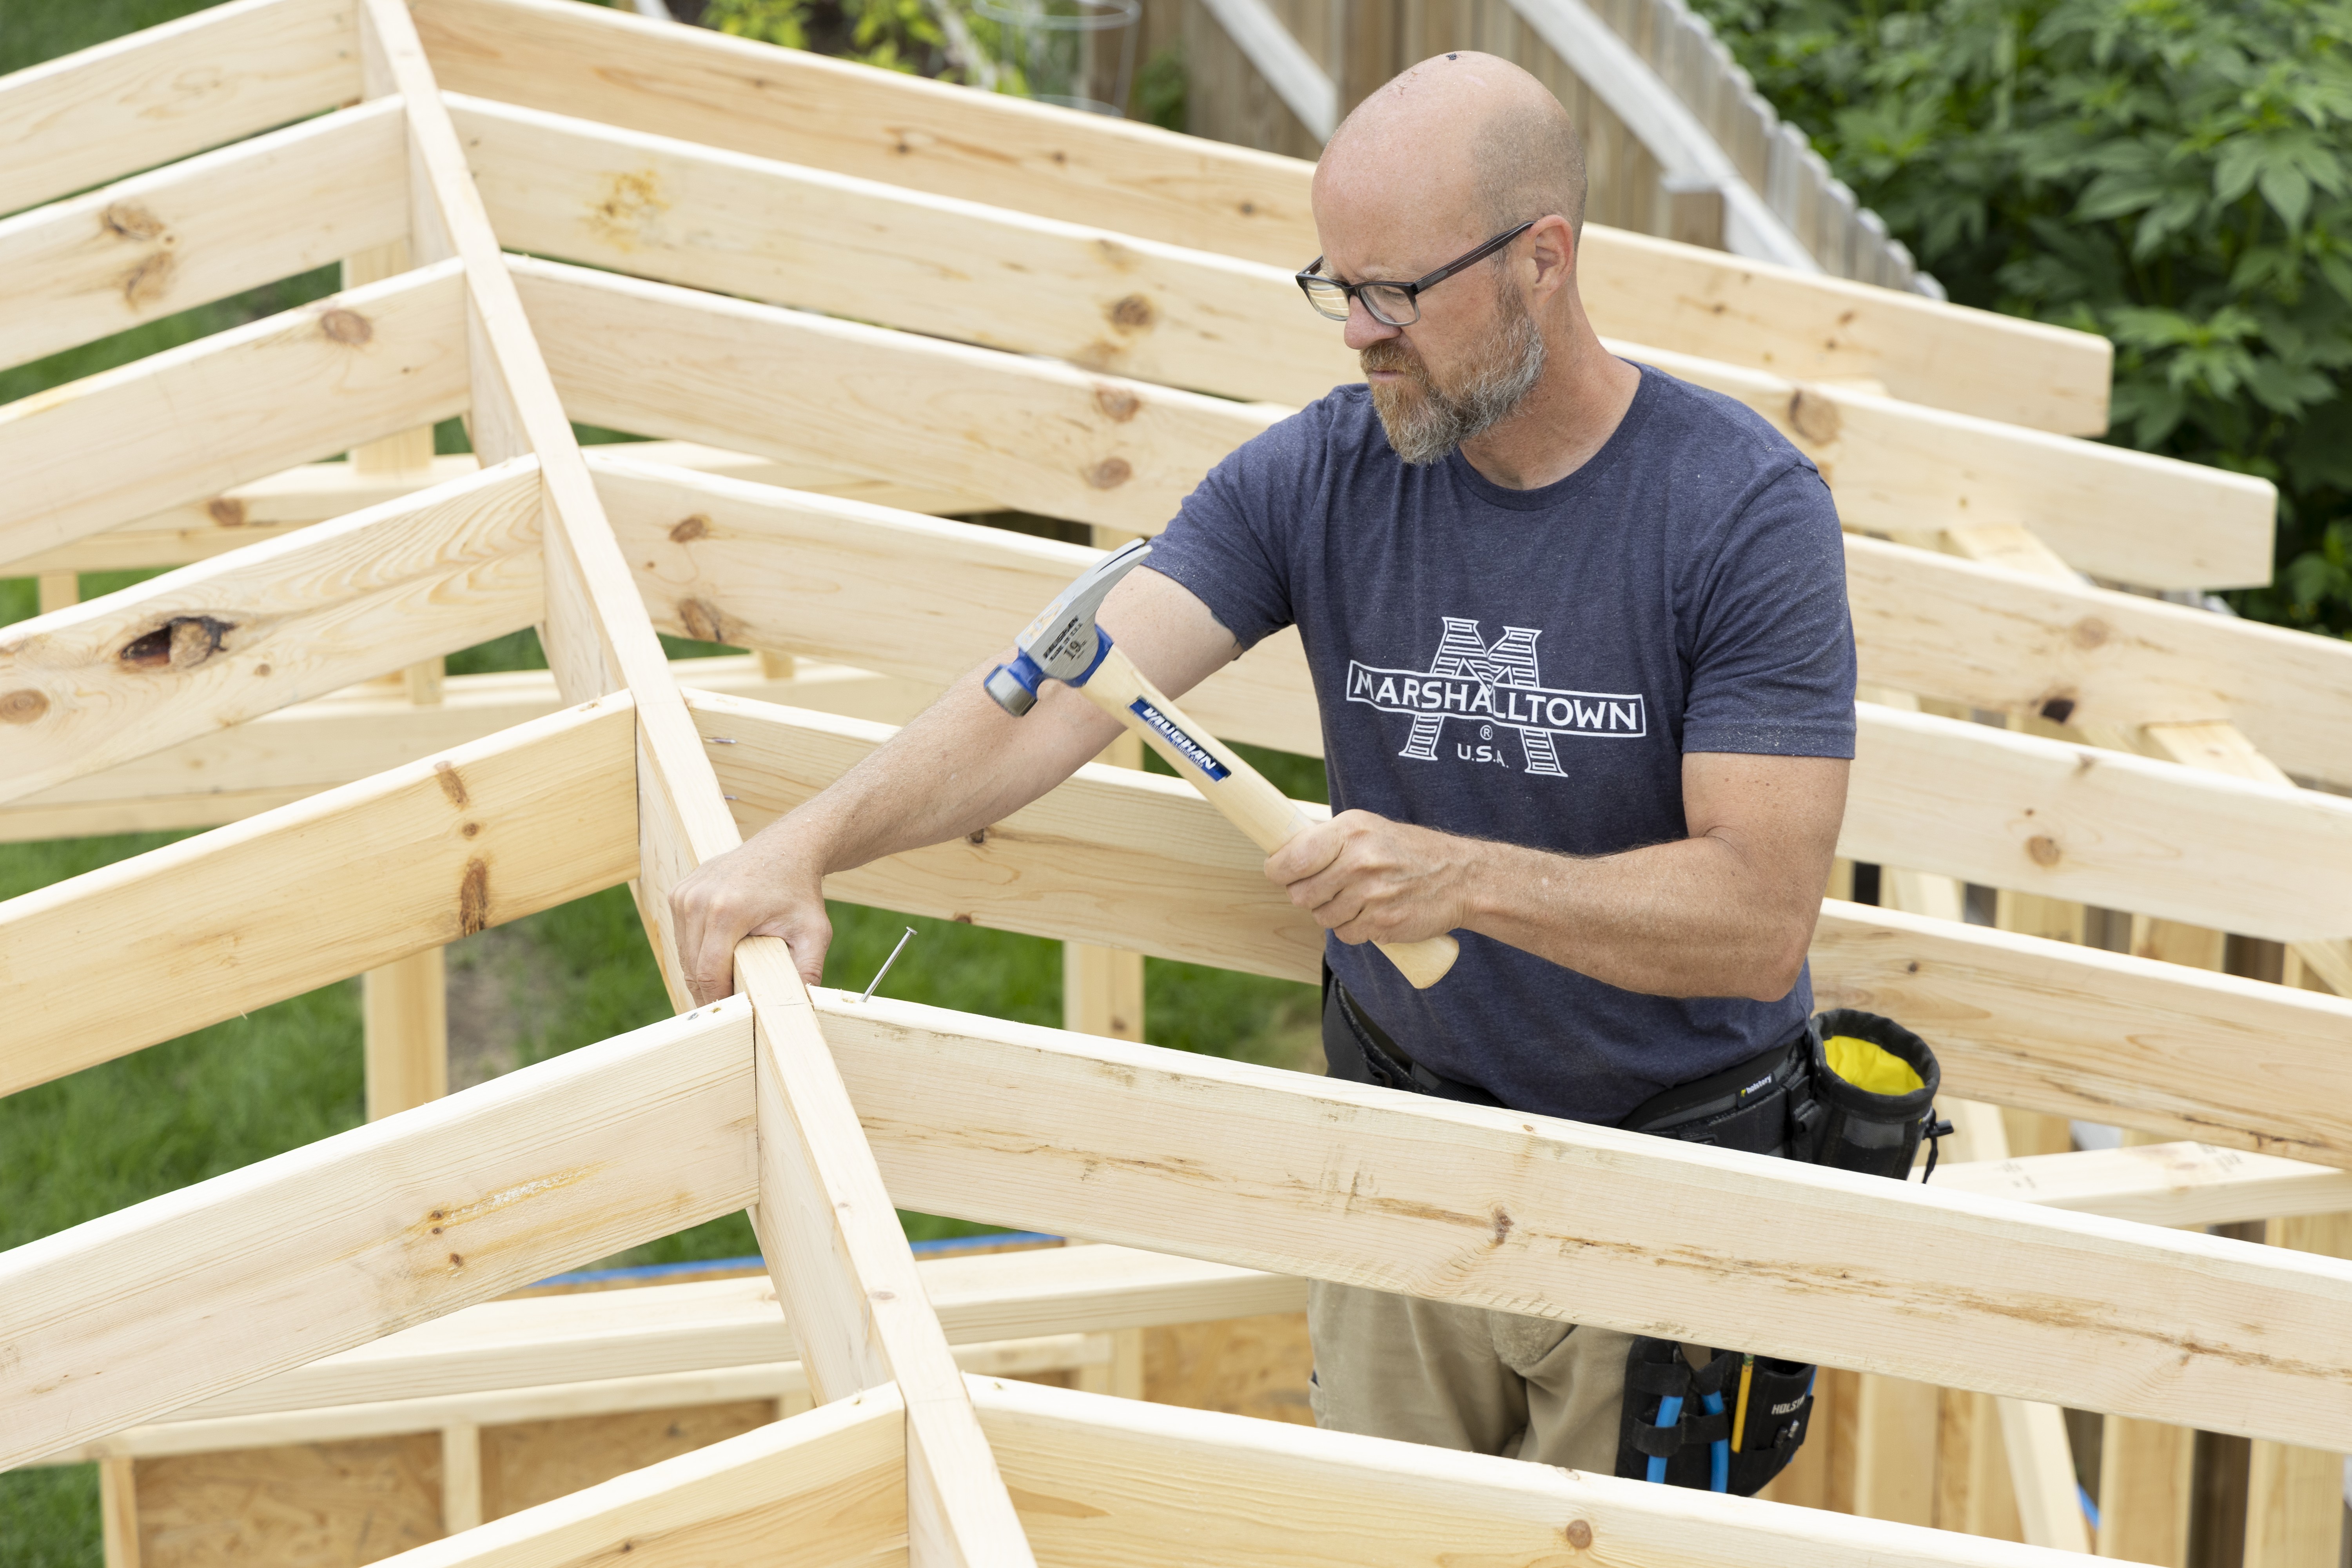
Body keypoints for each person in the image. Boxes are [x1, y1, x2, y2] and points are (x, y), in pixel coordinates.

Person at [670, 51, 1855, 1476]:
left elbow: (1756, 917)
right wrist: (806, 843)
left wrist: (1464, 881)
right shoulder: (1320, 476)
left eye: (1396, 293)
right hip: (1399, 1153)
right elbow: (1054, 695)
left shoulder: (1739, 513)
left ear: (1544, 260)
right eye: (1334, 285)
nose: (1357, 334)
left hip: (1664, 1196)